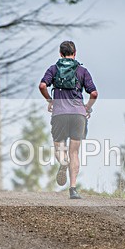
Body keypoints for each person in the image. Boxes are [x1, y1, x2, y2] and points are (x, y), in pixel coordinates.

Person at [39, 40, 98, 199]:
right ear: (75, 53)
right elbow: (94, 93)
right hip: (78, 115)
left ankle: (63, 162)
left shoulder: (53, 69)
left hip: (59, 114)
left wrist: (50, 100)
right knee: (74, 152)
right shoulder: (82, 71)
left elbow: (42, 86)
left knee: (59, 147)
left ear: (60, 53)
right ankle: (73, 189)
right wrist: (87, 107)